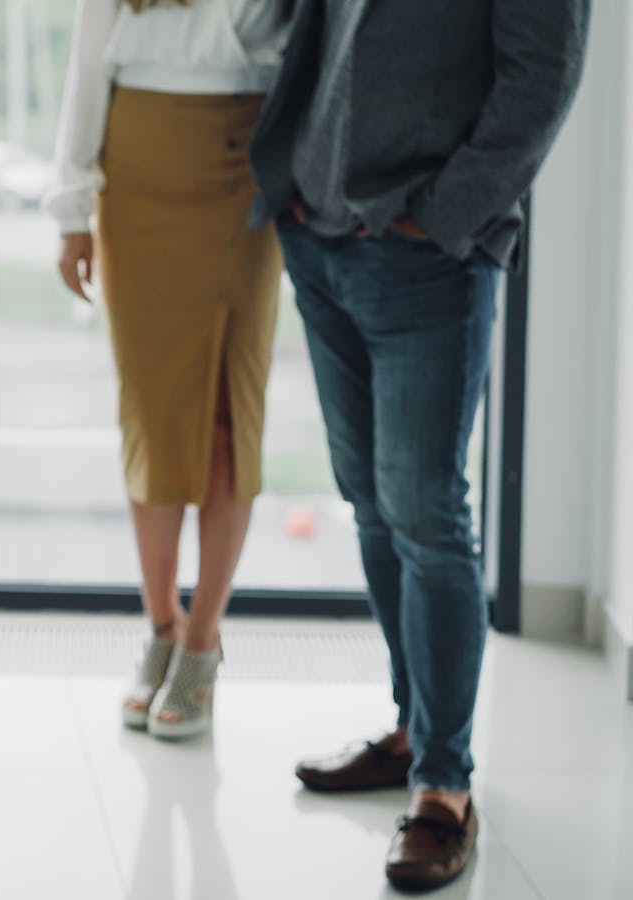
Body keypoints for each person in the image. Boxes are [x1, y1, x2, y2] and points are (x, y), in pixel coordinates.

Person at [246, 0, 588, 890]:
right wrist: (294, 190)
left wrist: (442, 215)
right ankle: (412, 731)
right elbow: (279, 27)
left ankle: (444, 786)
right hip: (317, 233)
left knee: (426, 514)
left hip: (426, 252)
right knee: (371, 502)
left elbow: (544, 79)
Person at [46, 0, 292, 740]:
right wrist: (71, 210)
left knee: (229, 412)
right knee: (152, 413)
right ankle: (161, 624)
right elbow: (89, 61)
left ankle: (201, 642)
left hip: (252, 153)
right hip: (141, 160)